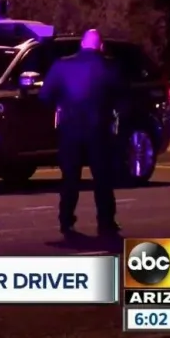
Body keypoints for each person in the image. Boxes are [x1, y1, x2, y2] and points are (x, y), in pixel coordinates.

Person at [39, 29, 128, 237]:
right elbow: (124, 98)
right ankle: (105, 222)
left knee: (70, 178)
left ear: (81, 44)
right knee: (102, 178)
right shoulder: (110, 67)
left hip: (70, 130)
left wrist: (61, 104)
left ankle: (66, 220)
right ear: (101, 46)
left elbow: (44, 96)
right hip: (99, 131)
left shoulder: (62, 65)